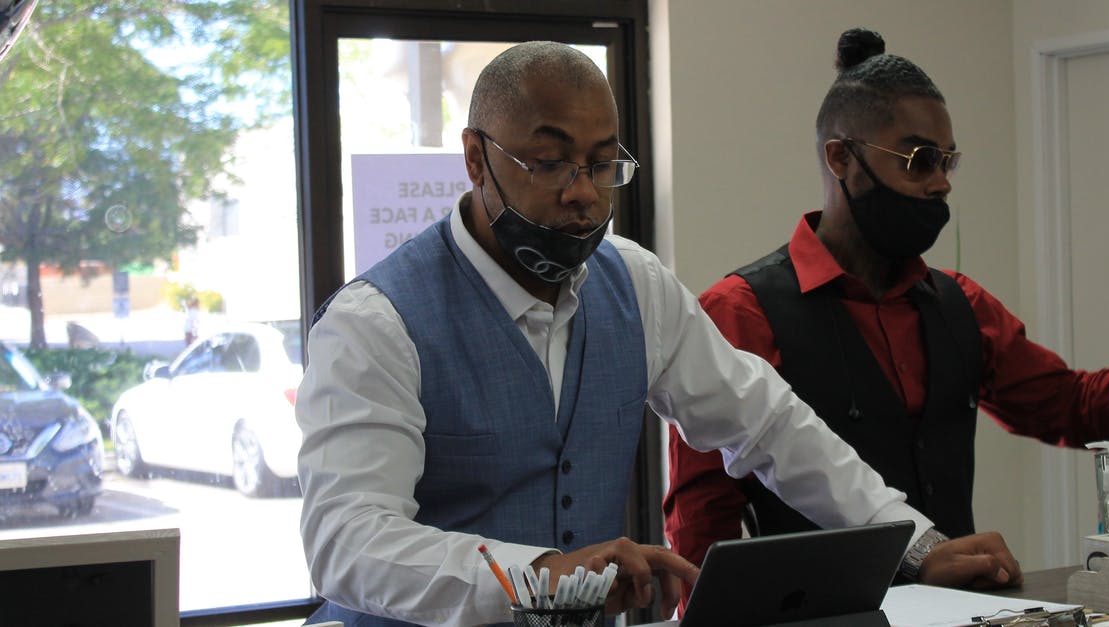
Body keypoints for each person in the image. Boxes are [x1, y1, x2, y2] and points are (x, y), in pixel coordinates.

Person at [296, 41, 1021, 627]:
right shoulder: (375, 322)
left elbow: (768, 423)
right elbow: (348, 541)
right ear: (476, 158)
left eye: (604, 163)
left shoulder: (633, 283)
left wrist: (916, 543)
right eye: (549, 162)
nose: (583, 191)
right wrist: (540, 575)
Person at [663, 27, 1109, 615]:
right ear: (840, 157)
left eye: (947, 161)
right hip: (820, 616)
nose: (941, 183)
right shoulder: (742, 311)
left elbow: (1076, 406)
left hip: (958, 609)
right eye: (919, 160)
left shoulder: (960, 305)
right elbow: (701, 519)